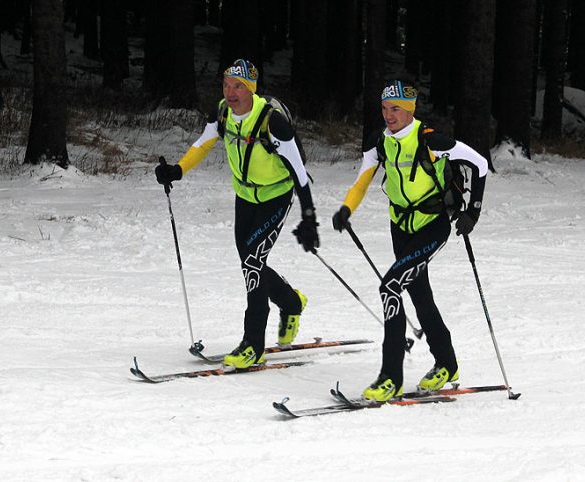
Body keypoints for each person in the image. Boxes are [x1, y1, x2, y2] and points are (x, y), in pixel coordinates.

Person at [155, 59, 319, 369]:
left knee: (252, 264)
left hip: (275, 196)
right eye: (227, 85)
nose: (231, 92)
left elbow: (299, 171)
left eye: (238, 86)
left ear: (252, 89)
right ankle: (292, 302)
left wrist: (308, 217)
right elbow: (202, 144)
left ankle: (252, 344)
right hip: (245, 196)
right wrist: (176, 170)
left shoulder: (272, 123)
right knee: (250, 262)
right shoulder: (222, 112)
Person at [331, 80, 489, 401]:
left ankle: (390, 377)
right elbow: (362, 181)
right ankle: (446, 363)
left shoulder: (430, 140)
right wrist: (347, 208)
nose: (388, 115)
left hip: (432, 225)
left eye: (396, 109)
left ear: (410, 111)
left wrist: (473, 210)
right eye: (385, 108)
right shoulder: (380, 142)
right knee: (419, 294)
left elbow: (479, 163)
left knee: (389, 285)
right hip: (400, 226)